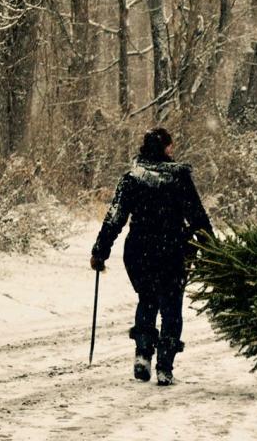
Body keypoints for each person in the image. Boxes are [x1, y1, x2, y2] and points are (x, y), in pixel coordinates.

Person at [90, 128, 213, 386]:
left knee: (147, 300)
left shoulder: (132, 178)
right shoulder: (179, 177)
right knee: (171, 307)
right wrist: (212, 248)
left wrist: (100, 251)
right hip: (172, 251)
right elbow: (197, 216)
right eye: (171, 146)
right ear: (167, 148)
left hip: (139, 251)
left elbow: (115, 217)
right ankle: (164, 367)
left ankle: (143, 355)